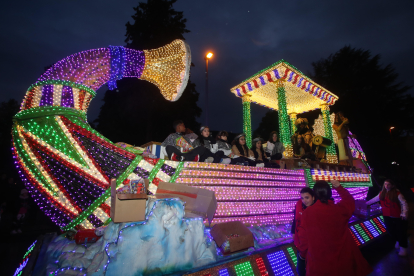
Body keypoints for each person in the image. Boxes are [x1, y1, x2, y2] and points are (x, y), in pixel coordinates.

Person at [297, 180, 372, 276]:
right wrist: (339, 188)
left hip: (320, 263)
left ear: (314, 195)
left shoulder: (308, 213)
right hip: (343, 260)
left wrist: (302, 255)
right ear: (329, 193)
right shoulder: (340, 209)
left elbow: (303, 238)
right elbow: (349, 201)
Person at [366, 179, 408, 256]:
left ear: (392, 185)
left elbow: (404, 204)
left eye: (388, 184)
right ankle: (398, 240)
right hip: (387, 215)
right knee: (390, 230)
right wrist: (365, 204)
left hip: (397, 216)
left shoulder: (397, 194)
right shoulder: (382, 193)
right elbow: (374, 199)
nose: (386, 186)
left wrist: (404, 213)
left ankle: (403, 248)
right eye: (385, 184)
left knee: (401, 232)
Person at [291, 187, 315, 276]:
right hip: (301, 243)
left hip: (313, 245)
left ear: (313, 197)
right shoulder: (299, 204)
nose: (304, 200)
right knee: (300, 269)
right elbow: (295, 219)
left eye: (307, 197)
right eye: (302, 198)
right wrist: (293, 232)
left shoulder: (316, 209)